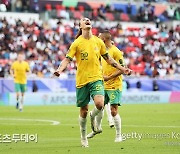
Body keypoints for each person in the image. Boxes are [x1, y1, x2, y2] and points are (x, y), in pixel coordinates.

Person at [53, 18, 132, 148]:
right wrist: (59, 70)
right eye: (84, 20)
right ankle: (83, 137)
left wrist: (123, 69)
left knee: (100, 104)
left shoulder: (98, 41)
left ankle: (93, 117)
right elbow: (67, 59)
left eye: (88, 19)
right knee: (83, 111)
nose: (87, 20)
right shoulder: (77, 43)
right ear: (80, 26)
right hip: (82, 80)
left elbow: (109, 59)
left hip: (96, 78)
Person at [87, 31, 127, 142]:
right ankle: (97, 128)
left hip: (114, 85)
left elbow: (122, 68)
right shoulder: (102, 51)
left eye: (99, 38)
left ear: (103, 40)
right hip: (103, 84)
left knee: (114, 110)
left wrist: (109, 77)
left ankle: (119, 135)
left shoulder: (116, 52)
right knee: (99, 107)